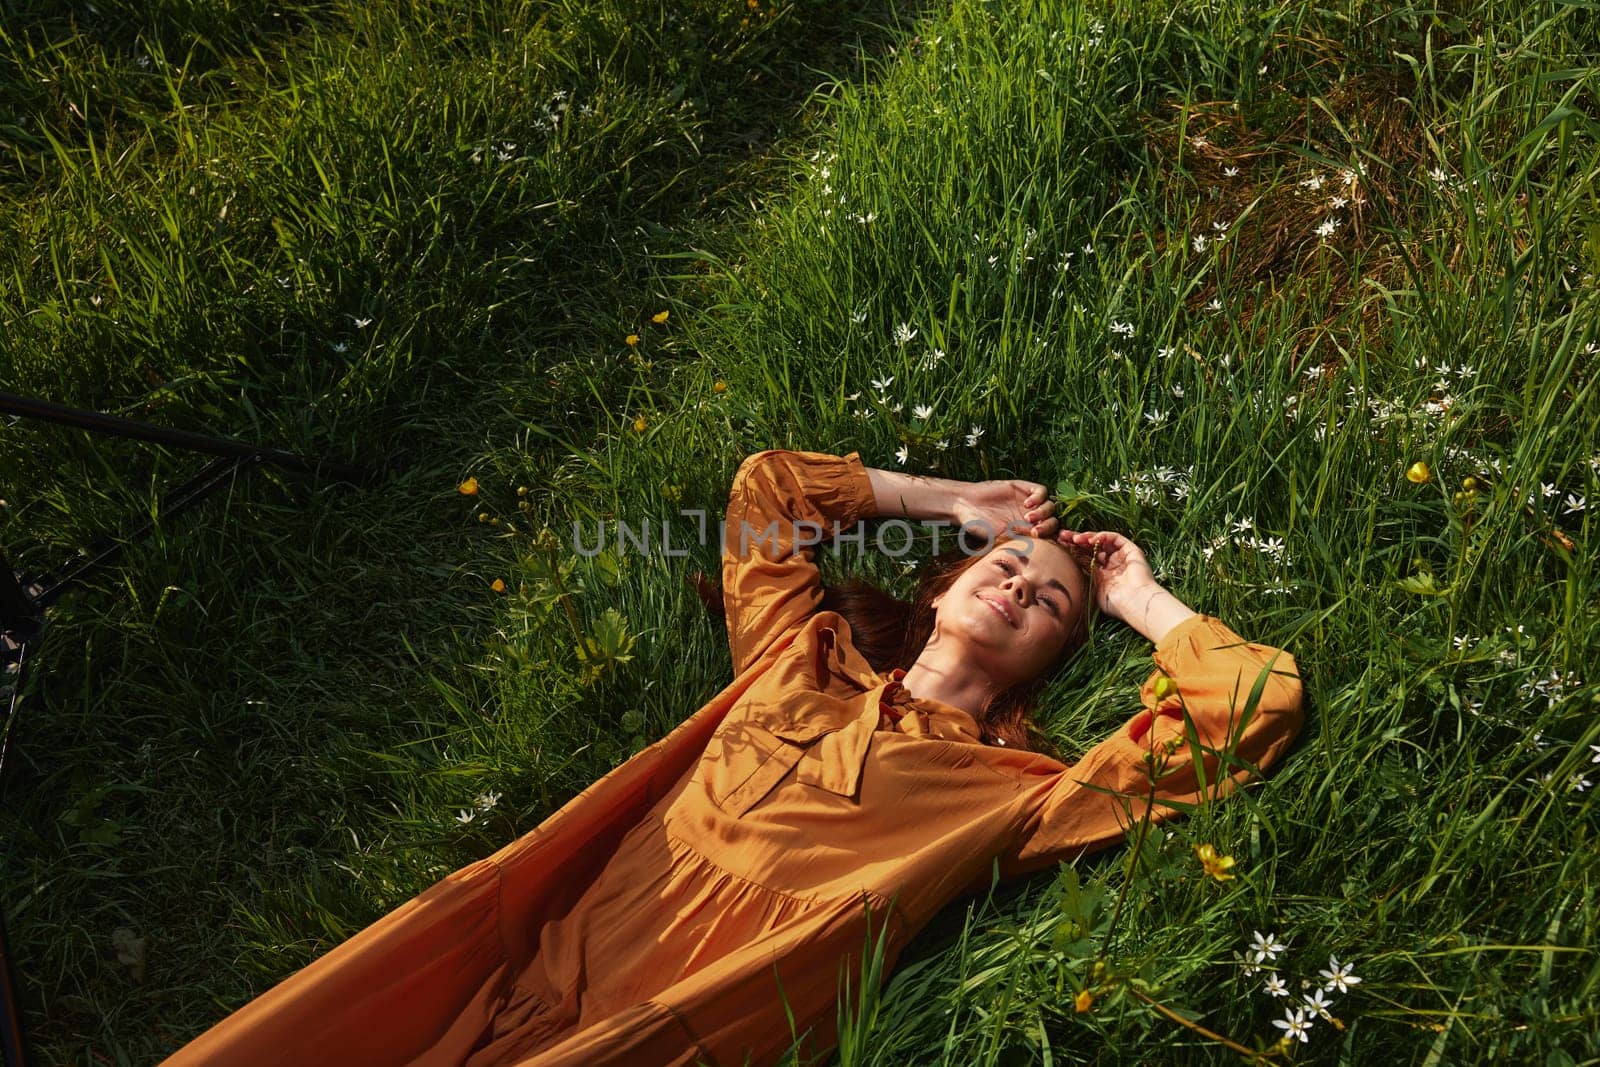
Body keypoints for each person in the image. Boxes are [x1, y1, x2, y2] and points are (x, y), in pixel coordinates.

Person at [164, 449, 1304, 1067]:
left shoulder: (1015, 793)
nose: (1018, 580)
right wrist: (948, 496)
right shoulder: (799, 657)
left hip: (687, 1021)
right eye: (1002, 564)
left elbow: (1250, 702)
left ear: (1051, 653)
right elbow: (769, 491)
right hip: (536, 961)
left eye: (1050, 600)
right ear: (944, 581)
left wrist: (1135, 596)